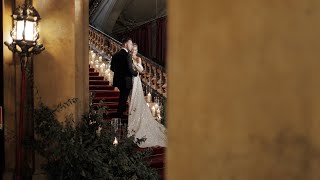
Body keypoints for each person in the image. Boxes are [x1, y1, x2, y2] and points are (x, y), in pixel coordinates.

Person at [127, 43, 167, 148]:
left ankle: (138, 123)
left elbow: (141, 70)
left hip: (136, 81)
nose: (134, 52)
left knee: (137, 101)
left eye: (135, 50)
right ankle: (132, 122)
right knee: (130, 101)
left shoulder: (138, 59)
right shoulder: (128, 58)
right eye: (132, 50)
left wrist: (134, 63)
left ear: (137, 50)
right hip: (129, 80)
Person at [110, 37, 138, 120]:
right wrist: (136, 73)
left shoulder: (115, 55)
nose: (131, 46)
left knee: (122, 98)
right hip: (126, 81)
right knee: (123, 98)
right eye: (130, 44)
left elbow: (112, 68)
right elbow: (130, 69)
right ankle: (119, 115)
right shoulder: (127, 55)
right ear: (126, 44)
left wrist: (120, 72)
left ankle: (120, 114)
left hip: (118, 80)